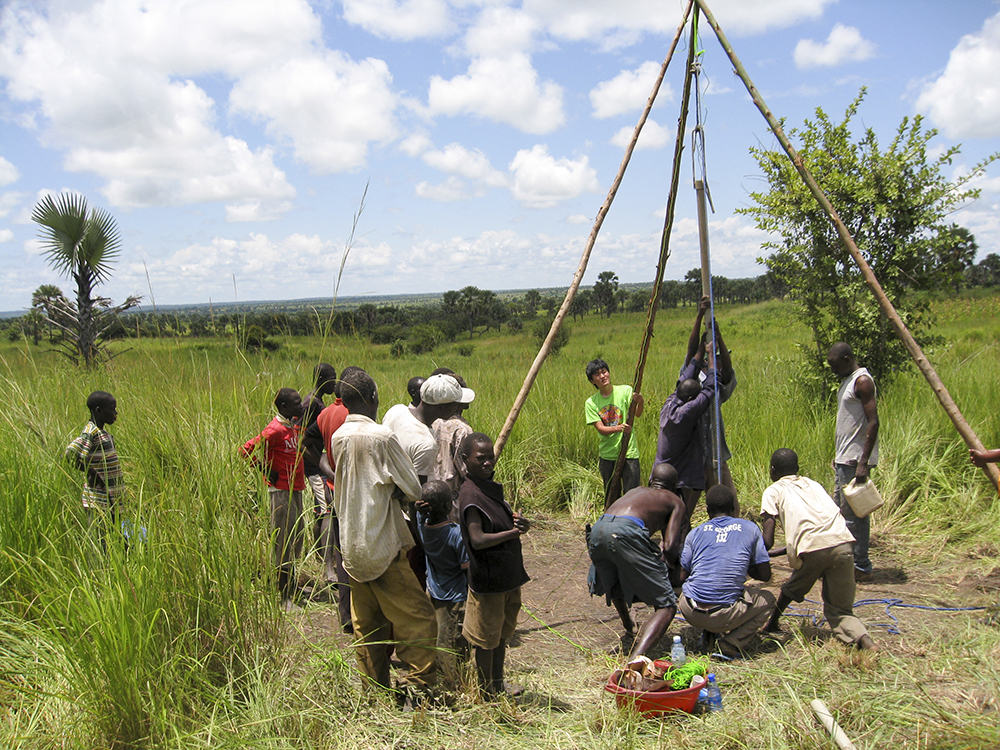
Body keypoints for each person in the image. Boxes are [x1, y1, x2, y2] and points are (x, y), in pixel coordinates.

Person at [327, 368, 438, 699]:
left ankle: (375, 692)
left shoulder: (338, 437)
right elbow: (413, 486)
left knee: (368, 625)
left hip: (352, 547)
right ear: (373, 398)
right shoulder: (382, 438)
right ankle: (419, 689)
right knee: (418, 620)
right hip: (382, 544)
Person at [760, 448, 877, 651]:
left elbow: (767, 540)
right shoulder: (814, 485)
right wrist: (780, 552)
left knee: (791, 588)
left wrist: (756, 553)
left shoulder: (773, 490)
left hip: (814, 549)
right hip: (843, 543)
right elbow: (819, 528)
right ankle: (864, 640)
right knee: (841, 610)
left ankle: (771, 623)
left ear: (772, 470)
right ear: (797, 468)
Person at [586, 463, 686, 658]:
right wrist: (666, 572)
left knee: (614, 581)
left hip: (598, 528)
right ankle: (636, 659)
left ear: (650, 481)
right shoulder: (674, 500)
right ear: (674, 486)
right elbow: (672, 546)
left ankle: (630, 627)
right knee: (667, 605)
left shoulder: (636, 490)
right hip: (626, 532)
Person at [458, 432, 530, 700]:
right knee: (486, 639)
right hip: (488, 580)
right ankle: (486, 690)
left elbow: (502, 520)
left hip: (505, 576)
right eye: (481, 458)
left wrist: (520, 524)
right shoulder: (470, 495)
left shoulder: (486, 487)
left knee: (500, 635)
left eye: (490, 456)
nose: (488, 462)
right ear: (466, 460)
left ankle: (497, 683)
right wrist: (512, 534)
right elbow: (477, 540)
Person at [678, 485, 773, 658]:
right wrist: (745, 565)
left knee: (695, 587)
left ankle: (708, 633)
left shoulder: (695, 532)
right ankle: (730, 643)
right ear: (734, 508)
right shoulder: (750, 528)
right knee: (768, 599)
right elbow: (765, 575)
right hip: (724, 615)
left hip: (690, 610)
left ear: (707, 511)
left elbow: (683, 575)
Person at [302, 366, 361, 631]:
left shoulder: (326, 412)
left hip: (332, 480)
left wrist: (323, 464)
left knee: (338, 540)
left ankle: (344, 608)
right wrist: (322, 465)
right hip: (349, 486)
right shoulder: (353, 416)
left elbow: (306, 439)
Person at [241, 388, 306, 611]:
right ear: (284, 407)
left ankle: (292, 587)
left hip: (295, 489)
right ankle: (284, 598)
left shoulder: (292, 426)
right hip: (280, 491)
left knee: (296, 537)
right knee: (283, 542)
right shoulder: (274, 429)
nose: (301, 407)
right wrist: (264, 471)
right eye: (296, 404)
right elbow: (246, 450)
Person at [828, 342, 880, 580]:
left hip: (854, 459)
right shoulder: (848, 381)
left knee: (854, 516)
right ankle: (849, 562)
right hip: (845, 457)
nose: (833, 370)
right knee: (842, 513)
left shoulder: (862, 381)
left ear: (848, 359)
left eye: (835, 365)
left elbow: (873, 422)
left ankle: (859, 566)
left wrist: (863, 461)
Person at [653, 334, 717, 519]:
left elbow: (685, 377)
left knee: (666, 519)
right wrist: (711, 356)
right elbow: (711, 388)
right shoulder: (685, 413)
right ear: (690, 400)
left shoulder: (671, 401)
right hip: (677, 477)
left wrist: (699, 352)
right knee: (680, 519)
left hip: (661, 474)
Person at [685, 296, 739, 513]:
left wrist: (719, 337)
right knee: (685, 509)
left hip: (717, 456)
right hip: (695, 457)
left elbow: (727, 368)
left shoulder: (718, 383)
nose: (712, 362)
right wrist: (699, 317)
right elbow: (691, 354)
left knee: (729, 505)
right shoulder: (690, 380)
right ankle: (679, 541)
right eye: (709, 359)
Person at [418, 480, 469, 691]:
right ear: (449, 506)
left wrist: (419, 512)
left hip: (435, 591)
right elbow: (466, 565)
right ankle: (452, 682)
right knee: (451, 640)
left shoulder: (425, 530)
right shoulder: (456, 534)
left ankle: (446, 677)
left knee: (440, 636)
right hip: (454, 594)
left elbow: (419, 517)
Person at [65, 390, 126, 552]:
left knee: (113, 540)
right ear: (99, 411)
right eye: (112, 409)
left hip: (110, 500)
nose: (115, 413)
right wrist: (90, 472)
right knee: (101, 544)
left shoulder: (104, 434)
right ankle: (99, 573)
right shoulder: (91, 431)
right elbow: (71, 452)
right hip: (98, 501)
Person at [584, 358, 644, 504]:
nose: (602, 376)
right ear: (592, 381)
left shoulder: (625, 391)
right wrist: (619, 428)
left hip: (629, 452)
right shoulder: (591, 402)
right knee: (611, 494)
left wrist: (640, 402)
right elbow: (601, 429)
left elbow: (637, 413)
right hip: (608, 455)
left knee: (632, 494)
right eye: (597, 375)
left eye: (604, 372)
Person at [300, 364, 338, 593]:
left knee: (320, 511)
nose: (335, 384)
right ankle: (328, 568)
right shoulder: (311, 402)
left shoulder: (317, 400)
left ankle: (318, 555)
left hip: (319, 464)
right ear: (322, 379)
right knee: (327, 511)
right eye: (332, 379)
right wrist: (317, 462)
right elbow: (301, 439)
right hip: (315, 467)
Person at [430, 372, 475, 512]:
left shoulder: (431, 421)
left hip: (432, 490)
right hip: (454, 497)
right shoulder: (462, 429)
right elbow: (466, 470)